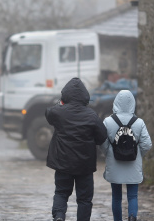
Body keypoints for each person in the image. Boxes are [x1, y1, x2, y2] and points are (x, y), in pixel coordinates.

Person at [45, 77, 108, 221]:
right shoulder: (92, 116)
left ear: (65, 95)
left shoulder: (58, 112)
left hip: (63, 162)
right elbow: (102, 136)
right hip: (84, 165)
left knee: (61, 192)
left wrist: (60, 104)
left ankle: (59, 216)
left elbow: (48, 114)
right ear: (85, 96)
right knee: (84, 199)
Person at [100, 90, 152, 221]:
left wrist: (109, 153)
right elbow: (147, 144)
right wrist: (138, 154)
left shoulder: (108, 121)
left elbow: (102, 143)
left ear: (116, 102)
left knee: (116, 197)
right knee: (133, 196)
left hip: (114, 164)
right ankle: (132, 216)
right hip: (133, 164)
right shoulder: (139, 122)